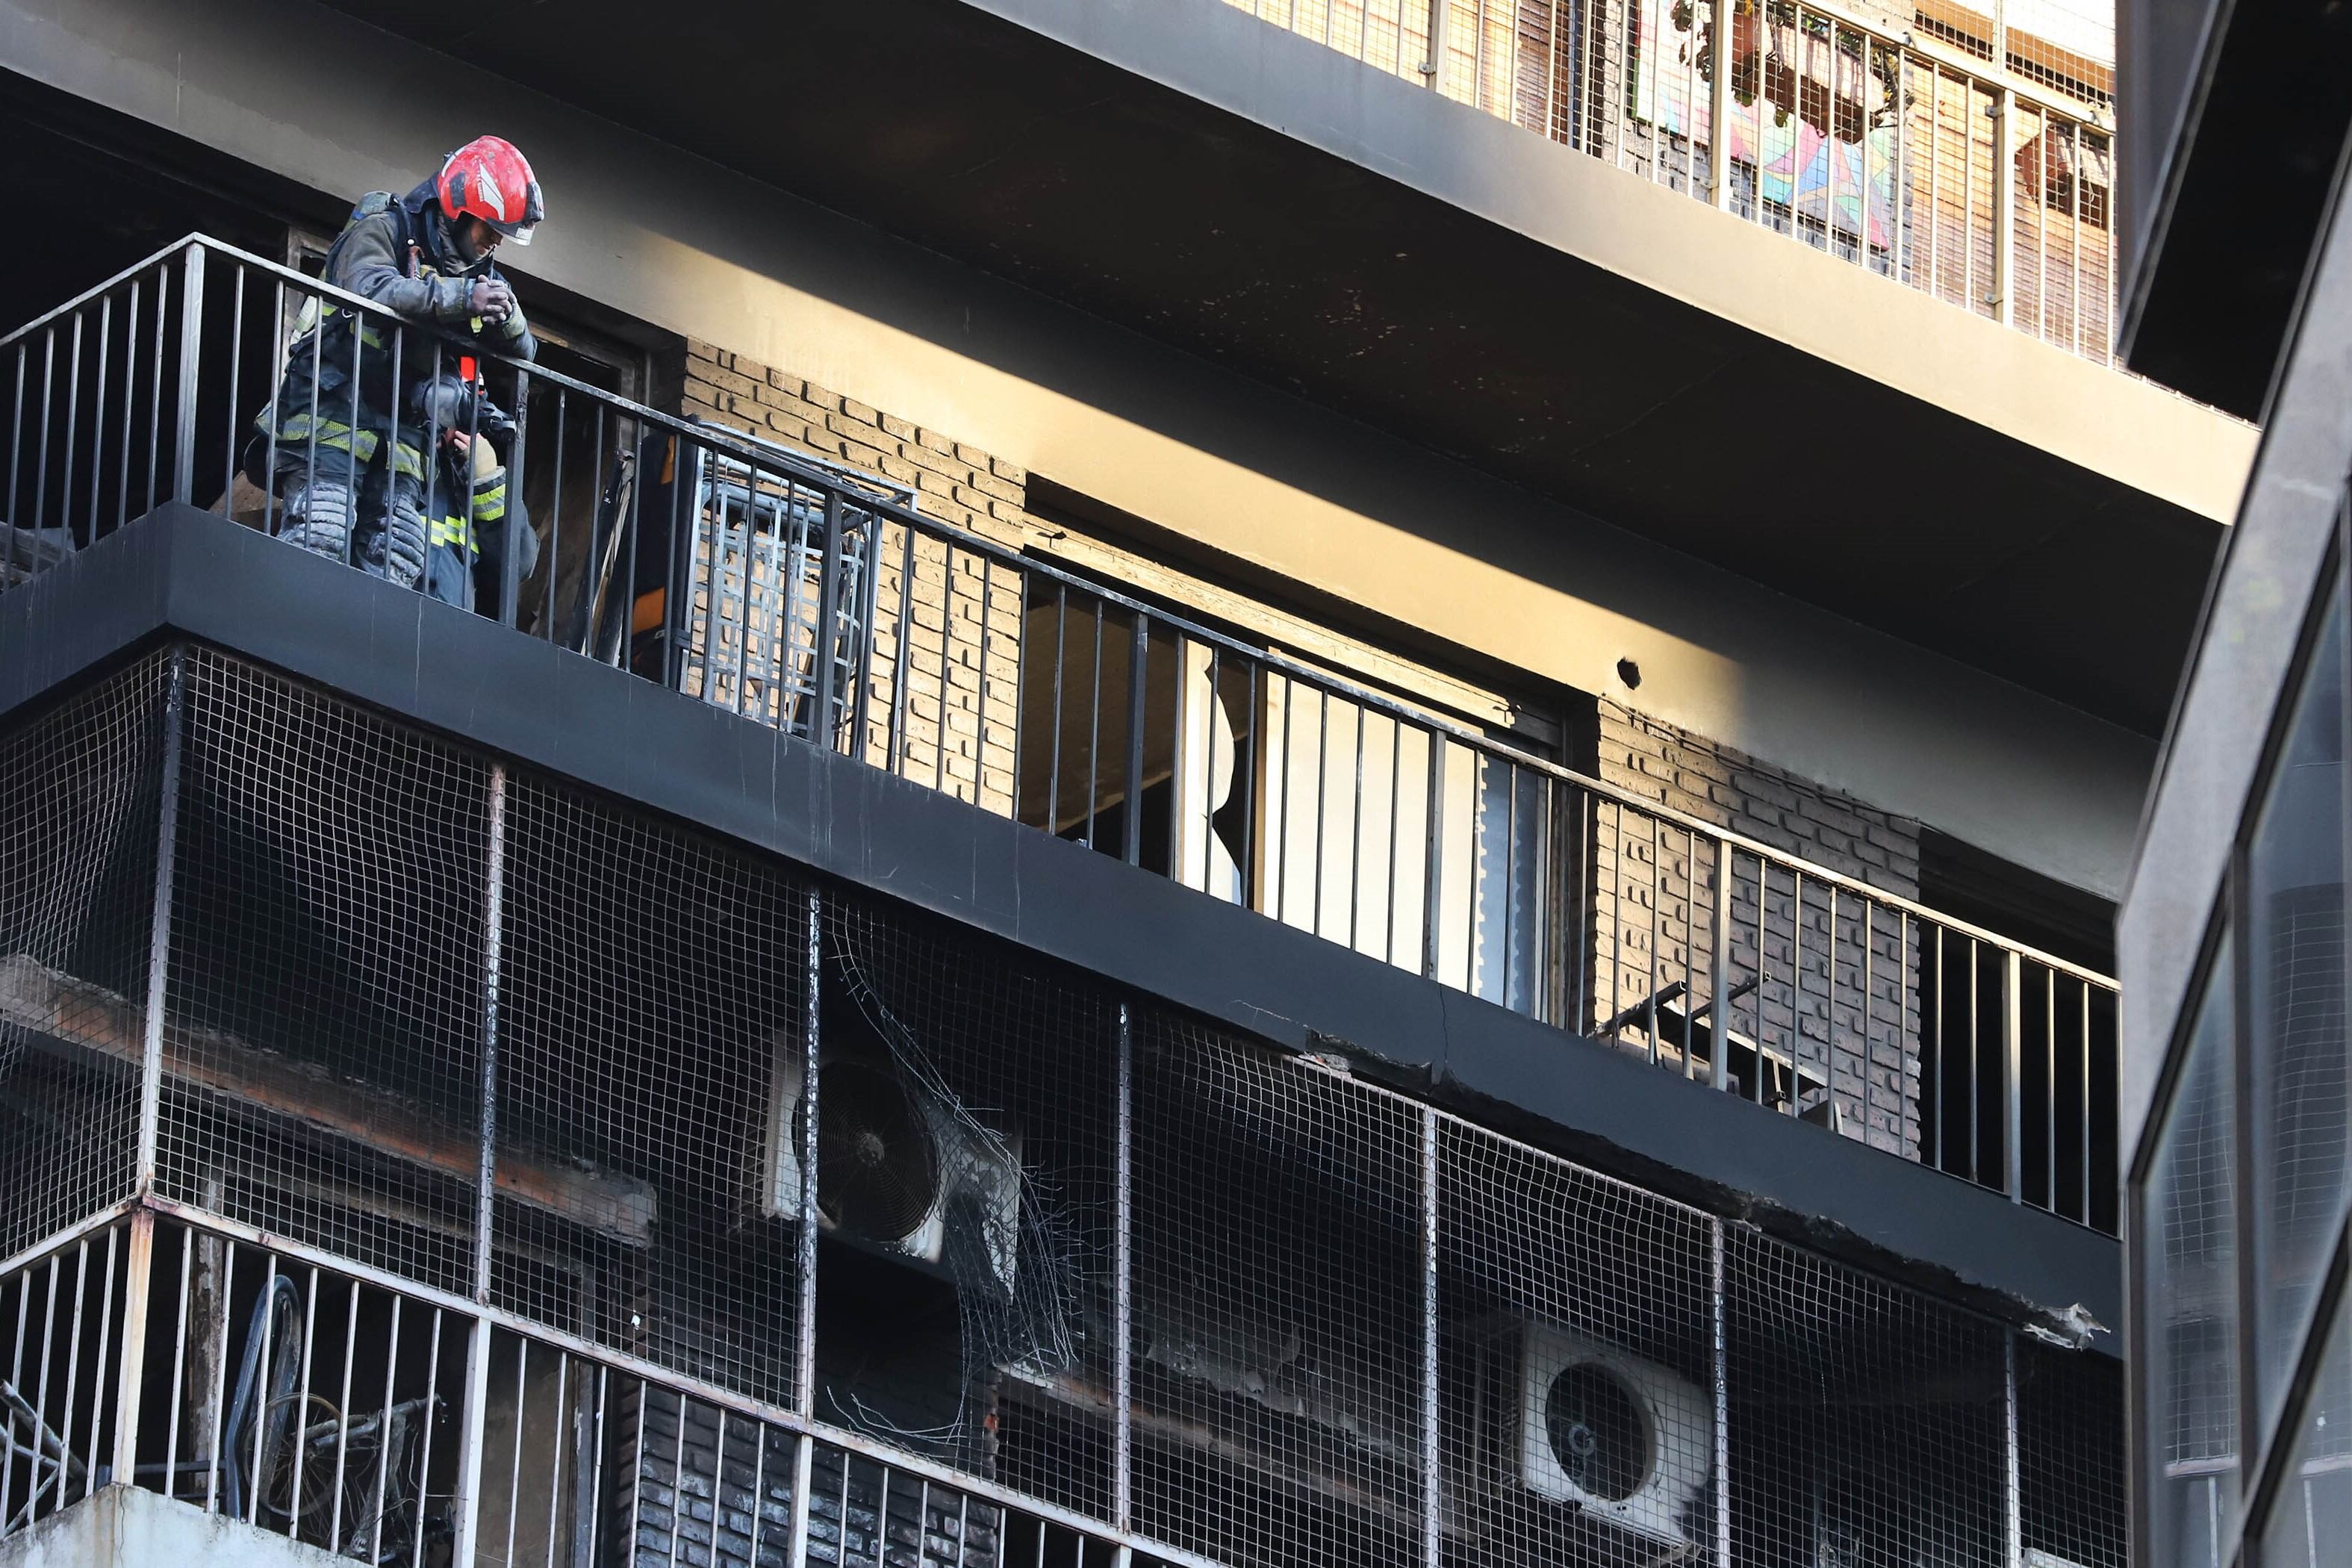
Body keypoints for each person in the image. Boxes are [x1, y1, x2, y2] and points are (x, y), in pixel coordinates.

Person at [252, 135, 544, 603]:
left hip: (405, 439)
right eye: (489, 229)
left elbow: (522, 351)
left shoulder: (480, 272)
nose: (493, 243)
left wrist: (508, 318)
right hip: (335, 415)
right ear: (458, 207)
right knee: (320, 539)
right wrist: (461, 299)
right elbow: (373, 290)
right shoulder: (383, 227)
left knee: (394, 562)